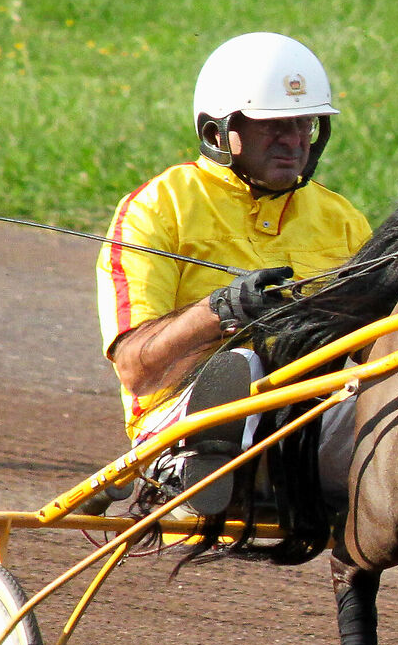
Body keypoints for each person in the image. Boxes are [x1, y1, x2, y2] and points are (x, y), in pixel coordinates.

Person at [94, 32, 369, 510]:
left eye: (304, 123)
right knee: (241, 366)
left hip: (308, 422)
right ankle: (190, 466)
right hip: (175, 415)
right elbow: (136, 368)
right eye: (274, 126)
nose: (295, 140)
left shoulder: (341, 219)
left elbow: (377, 352)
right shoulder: (157, 208)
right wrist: (219, 312)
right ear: (218, 132)